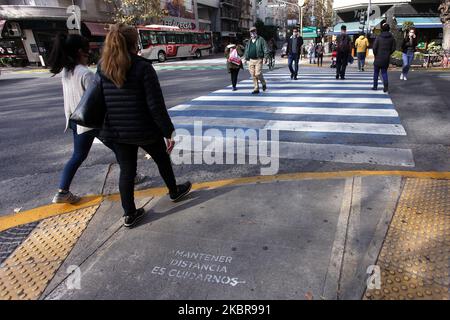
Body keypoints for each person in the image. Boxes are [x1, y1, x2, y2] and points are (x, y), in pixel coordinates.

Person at [98, 23, 191, 228]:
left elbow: (101, 100)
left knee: (127, 170)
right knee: (162, 159)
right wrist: (169, 132)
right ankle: (174, 191)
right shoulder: (143, 67)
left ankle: (129, 214)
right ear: (134, 43)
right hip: (144, 129)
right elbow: (155, 106)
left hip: (116, 130)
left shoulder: (103, 67)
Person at [47, 33, 97, 204]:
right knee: (79, 155)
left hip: (75, 120)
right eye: (87, 51)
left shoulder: (67, 71)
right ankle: (62, 191)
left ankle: (132, 174)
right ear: (80, 52)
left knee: (114, 146)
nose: (89, 55)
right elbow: (95, 100)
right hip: (89, 122)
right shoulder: (86, 74)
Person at [243, 26, 270, 94]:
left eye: (254, 31)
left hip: (258, 59)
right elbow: (247, 50)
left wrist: (265, 58)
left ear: (256, 32)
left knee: (257, 73)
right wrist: (245, 58)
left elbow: (265, 48)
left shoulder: (261, 39)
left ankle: (263, 83)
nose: (252, 33)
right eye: (251, 32)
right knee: (253, 75)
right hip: (251, 60)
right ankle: (256, 88)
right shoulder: (249, 41)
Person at [372, 23, 396, 93]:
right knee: (384, 72)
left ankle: (375, 86)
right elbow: (393, 48)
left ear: (382, 29)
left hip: (378, 57)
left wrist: (375, 54)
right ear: (389, 29)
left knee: (376, 72)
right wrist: (389, 53)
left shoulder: (379, 37)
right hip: (386, 58)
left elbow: (374, 48)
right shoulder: (392, 38)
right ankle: (386, 87)